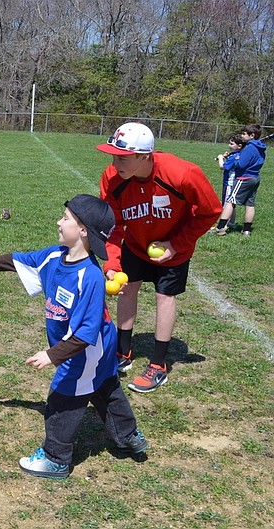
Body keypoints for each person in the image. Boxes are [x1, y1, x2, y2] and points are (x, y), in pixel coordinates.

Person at [0, 194, 148, 479]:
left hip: (85, 350)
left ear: (83, 231)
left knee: (62, 398)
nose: (59, 221)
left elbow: (85, 333)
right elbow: (19, 260)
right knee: (105, 388)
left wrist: (52, 355)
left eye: (66, 218)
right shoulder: (54, 257)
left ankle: (56, 458)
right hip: (96, 349)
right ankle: (128, 436)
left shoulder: (90, 277)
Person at [97, 122, 222, 393]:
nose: (115, 163)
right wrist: (111, 264)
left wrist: (176, 245)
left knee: (164, 296)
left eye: (122, 157)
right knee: (127, 289)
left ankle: (158, 364)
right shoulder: (112, 178)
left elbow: (211, 211)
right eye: (113, 155)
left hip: (174, 248)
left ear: (145, 156)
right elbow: (114, 225)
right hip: (136, 243)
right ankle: (122, 351)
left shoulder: (182, 173)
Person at [212, 124, 266, 237]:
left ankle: (220, 228)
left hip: (244, 178)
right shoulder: (260, 148)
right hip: (255, 178)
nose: (242, 135)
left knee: (230, 201)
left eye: (244, 133)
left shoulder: (250, 148)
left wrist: (234, 161)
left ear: (252, 135)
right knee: (250, 204)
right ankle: (246, 230)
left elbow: (241, 164)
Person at [215, 133, 245, 227]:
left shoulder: (233, 157)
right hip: (234, 182)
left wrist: (220, 158)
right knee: (232, 204)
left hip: (229, 183)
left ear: (239, 146)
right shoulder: (239, 155)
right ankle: (231, 222)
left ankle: (224, 224)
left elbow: (222, 166)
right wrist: (226, 157)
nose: (229, 145)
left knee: (226, 204)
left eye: (232, 144)